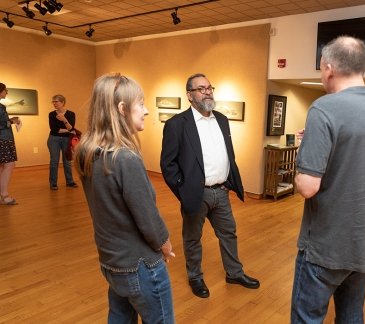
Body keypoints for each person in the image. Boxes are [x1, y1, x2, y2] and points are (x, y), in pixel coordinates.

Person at [291, 36, 365, 323]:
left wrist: (304, 151)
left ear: (329, 68)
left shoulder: (325, 108)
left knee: (306, 318)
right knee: (351, 315)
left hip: (327, 244)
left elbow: (307, 187)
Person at [74, 73, 175, 323]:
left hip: (112, 262)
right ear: (122, 108)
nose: (147, 110)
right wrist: (165, 243)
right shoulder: (125, 158)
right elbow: (147, 216)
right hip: (140, 265)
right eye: (141, 104)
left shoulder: (88, 153)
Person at [160, 73, 259, 298]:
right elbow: (168, 164)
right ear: (189, 95)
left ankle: (234, 272)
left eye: (210, 88)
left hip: (221, 192)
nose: (207, 92)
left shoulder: (222, 119)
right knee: (193, 238)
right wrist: (184, 190)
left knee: (229, 233)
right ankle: (195, 277)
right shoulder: (177, 124)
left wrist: (229, 182)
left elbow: (228, 155)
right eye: (201, 88)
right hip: (196, 194)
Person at [47, 94, 78, 190]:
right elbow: (54, 129)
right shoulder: (51, 114)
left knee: (67, 161)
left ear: (63, 102)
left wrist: (64, 120)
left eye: (56, 101)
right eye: (53, 101)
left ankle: (70, 182)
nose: (54, 103)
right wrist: (69, 130)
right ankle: (53, 183)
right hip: (53, 139)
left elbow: (71, 127)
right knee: (54, 161)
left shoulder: (71, 114)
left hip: (66, 139)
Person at [0, 83, 20, 205]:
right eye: (5, 90)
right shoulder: (0, 107)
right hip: (3, 139)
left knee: (2, 166)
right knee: (9, 165)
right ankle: (5, 195)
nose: (6, 93)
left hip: (3, 139)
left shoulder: (2, 106)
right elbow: (2, 124)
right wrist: (12, 121)